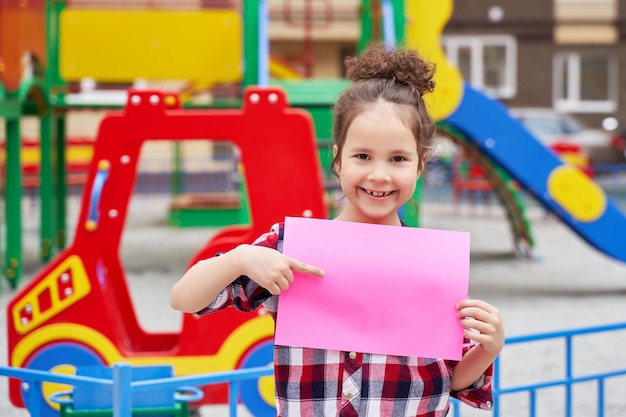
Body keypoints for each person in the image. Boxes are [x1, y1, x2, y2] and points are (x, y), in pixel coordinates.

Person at [170, 43, 505, 417]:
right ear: (338, 159)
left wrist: (489, 347)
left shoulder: (434, 263)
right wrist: (239, 258)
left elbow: (452, 378)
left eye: (398, 159)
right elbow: (185, 299)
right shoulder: (289, 247)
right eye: (362, 156)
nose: (379, 174)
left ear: (420, 164)